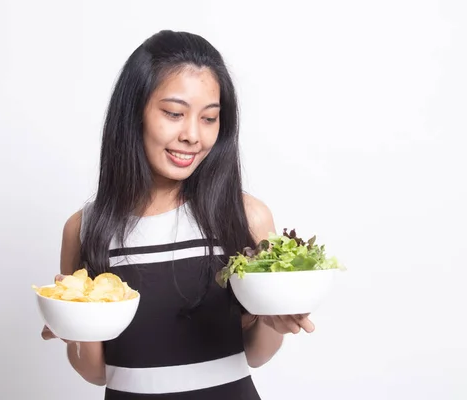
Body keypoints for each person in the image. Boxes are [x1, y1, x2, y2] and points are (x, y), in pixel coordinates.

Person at [41, 30, 315, 399]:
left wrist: (273, 322)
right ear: (133, 112)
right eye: (173, 113)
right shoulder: (86, 229)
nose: (193, 135)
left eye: (209, 118)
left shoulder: (246, 215)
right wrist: (76, 327)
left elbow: (256, 354)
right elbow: (95, 373)